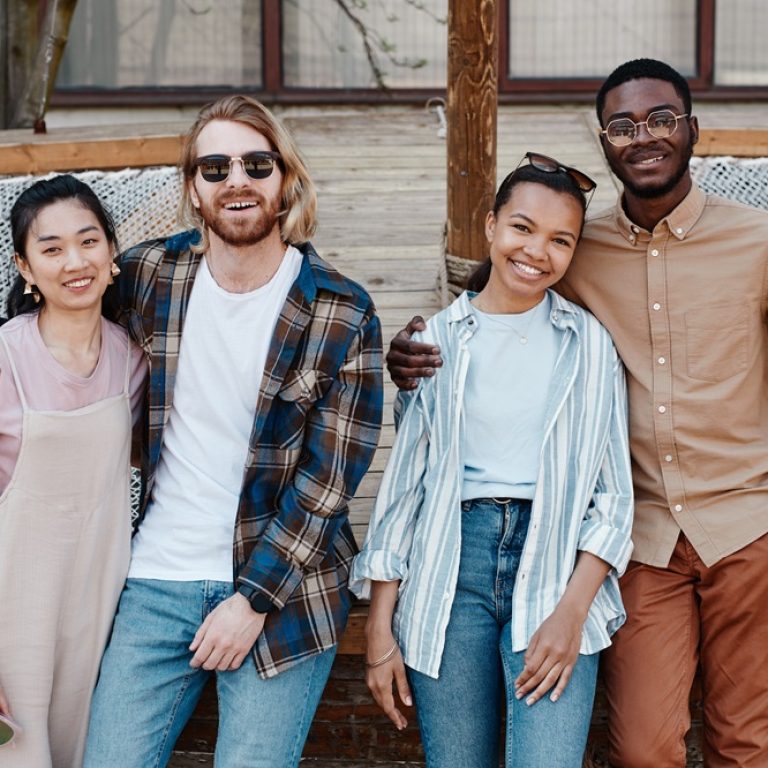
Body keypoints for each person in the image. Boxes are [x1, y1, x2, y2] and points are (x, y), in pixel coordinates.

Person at [388, 58, 768, 768]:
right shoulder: (573, 242)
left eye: (661, 119)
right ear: (604, 142)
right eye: (622, 126)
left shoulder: (757, 242)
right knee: (642, 746)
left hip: (748, 526)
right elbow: (489, 294)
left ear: (692, 129)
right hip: (644, 537)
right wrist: (408, 354)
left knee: (746, 741)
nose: (643, 137)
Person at [83, 95, 383, 768]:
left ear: (286, 178)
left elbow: (329, 482)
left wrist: (252, 600)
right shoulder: (149, 275)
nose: (236, 181)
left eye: (256, 163)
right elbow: (60, 302)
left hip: (283, 591)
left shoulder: (341, 310)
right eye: (215, 167)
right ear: (193, 187)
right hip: (156, 580)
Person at [350, 155, 633, 768]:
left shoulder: (589, 345)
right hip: (452, 568)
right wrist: (379, 629)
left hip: (557, 566)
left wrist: (572, 612)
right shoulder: (435, 342)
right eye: (522, 228)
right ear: (490, 226)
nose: (537, 251)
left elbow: (612, 499)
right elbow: (406, 492)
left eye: (561, 240)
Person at [0, 175, 147, 768]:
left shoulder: (133, 361)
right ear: (26, 268)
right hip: (12, 623)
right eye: (52, 249)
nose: (74, 262)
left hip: (94, 620)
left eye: (88, 242)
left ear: (112, 251)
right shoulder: (6, 357)